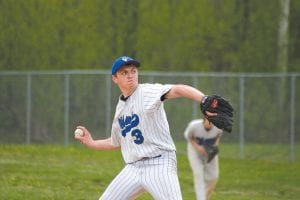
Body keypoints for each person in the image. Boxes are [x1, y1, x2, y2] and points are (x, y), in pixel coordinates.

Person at [75, 55, 213, 200]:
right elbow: (116, 142)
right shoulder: (121, 107)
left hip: (159, 163)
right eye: (124, 73)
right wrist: (91, 142)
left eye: (133, 71)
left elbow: (178, 89)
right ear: (114, 78)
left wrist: (203, 99)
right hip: (133, 168)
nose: (130, 75)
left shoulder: (147, 92)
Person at [184, 117, 223, 200]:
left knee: (213, 177)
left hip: (209, 151)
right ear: (204, 119)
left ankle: (204, 197)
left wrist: (214, 147)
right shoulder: (194, 126)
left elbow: (218, 136)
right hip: (194, 151)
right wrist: (198, 148)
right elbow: (189, 137)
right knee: (198, 174)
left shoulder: (218, 126)